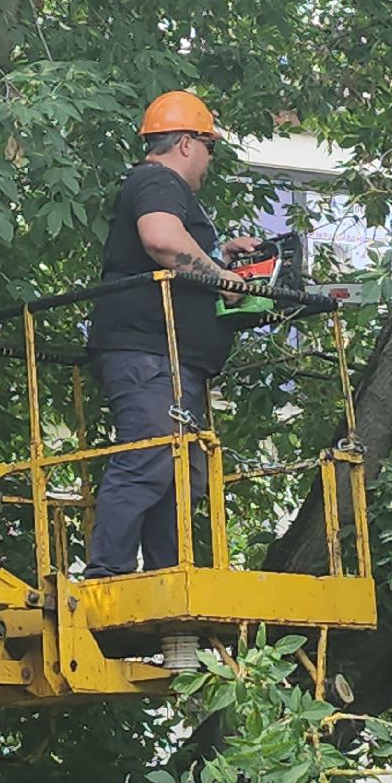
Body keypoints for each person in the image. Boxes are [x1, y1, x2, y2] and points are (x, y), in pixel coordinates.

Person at [83, 90, 261, 578]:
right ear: (186, 143)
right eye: (209, 147)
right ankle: (107, 577)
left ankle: (169, 574)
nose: (208, 160)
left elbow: (179, 253)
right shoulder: (158, 180)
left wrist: (219, 259)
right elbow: (161, 239)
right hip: (148, 357)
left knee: (178, 472)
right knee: (151, 457)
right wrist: (223, 278)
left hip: (168, 362)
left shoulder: (160, 189)